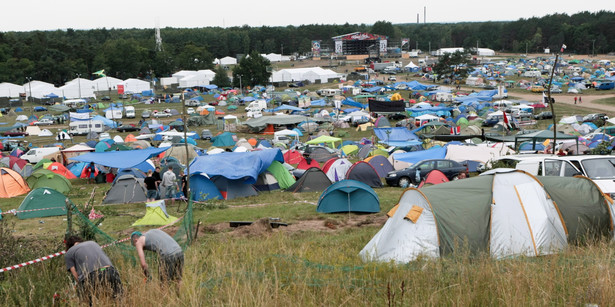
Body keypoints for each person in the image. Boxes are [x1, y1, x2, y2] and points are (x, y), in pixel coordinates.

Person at [64, 236, 122, 303]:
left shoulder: (69, 253)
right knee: (118, 300)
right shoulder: (93, 243)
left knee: (90, 301)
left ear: (69, 246)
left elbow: (75, 274)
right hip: (111, 271)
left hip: (92, 276)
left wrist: (81, 287)